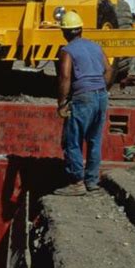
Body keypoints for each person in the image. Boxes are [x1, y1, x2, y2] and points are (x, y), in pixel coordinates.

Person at [54, 10, 112, 196]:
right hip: (101, 95)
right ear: (80, 29)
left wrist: (62, 103)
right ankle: (92, 181)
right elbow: (109, 69)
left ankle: (77, 181)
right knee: (94, 140)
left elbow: (65, 77)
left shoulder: (67, 50)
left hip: (83, 97)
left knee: (73, 140)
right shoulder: (95, 46)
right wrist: (103, 88)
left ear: (64, 32)